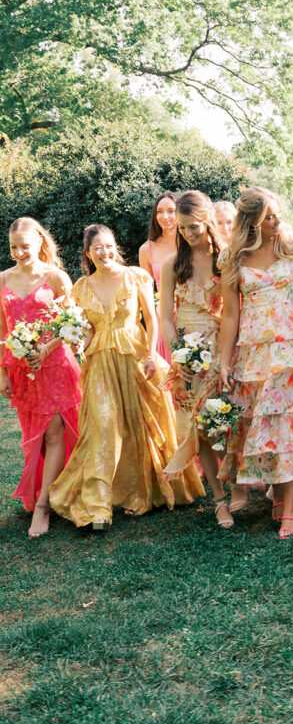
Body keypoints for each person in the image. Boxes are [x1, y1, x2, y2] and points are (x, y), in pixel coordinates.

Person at [49, 225, 204, 529]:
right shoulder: (80, 287)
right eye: (97, 248)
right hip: (101, 361)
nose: (104, 253)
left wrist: (150, 355)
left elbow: (151, 317)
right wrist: (80, 338)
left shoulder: (136, 276)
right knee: (103, 425)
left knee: (139, 425)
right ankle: (97, 508)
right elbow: (89, 329)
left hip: (136, 356)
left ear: (115, 246)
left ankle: (141, 493)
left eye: (108, 246)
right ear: (88, 253)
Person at [219, 188, 293, 539]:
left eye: (277, 215)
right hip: (253, 349)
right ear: (250, 223)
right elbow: (231, 314)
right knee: (259, 422)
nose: (276, 223)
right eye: (268, 218)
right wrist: (224, 362)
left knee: (287, 423)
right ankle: (275, 491)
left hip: (290, 347)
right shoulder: (232, 256)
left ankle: (289, 505)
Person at [160, 191, 241, 528]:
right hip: (189, 354)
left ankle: (239, 486)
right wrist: (177, 353)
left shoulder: (228, 258)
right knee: (200, 428)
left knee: (225, 420)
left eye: (193, 226)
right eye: (181, 228)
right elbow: (165, 315)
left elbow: (238, 310)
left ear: (208, 218)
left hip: (224, 346)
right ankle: (220, 499)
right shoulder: (172, 265)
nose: (187, 234)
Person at [0, 218, 80, 537]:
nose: (20, 252)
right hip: (22, 372)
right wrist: (3, 372)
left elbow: (71, 322)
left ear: (39, 242)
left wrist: (46, 349)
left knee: (54, 432)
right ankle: (51, 489)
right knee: (33, 435)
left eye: (25, 246)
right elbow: (2, 331)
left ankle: (44, 507)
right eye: (13, 247)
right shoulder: (2, 279)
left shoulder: (56, 276)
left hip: (56, 365)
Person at [139, 191, 177, 361]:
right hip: (163, 317)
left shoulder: (190, 244)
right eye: (159, 211)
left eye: (171, 210)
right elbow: (146, 294)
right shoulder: (147, 249)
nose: (165, 216)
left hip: (192, 313)